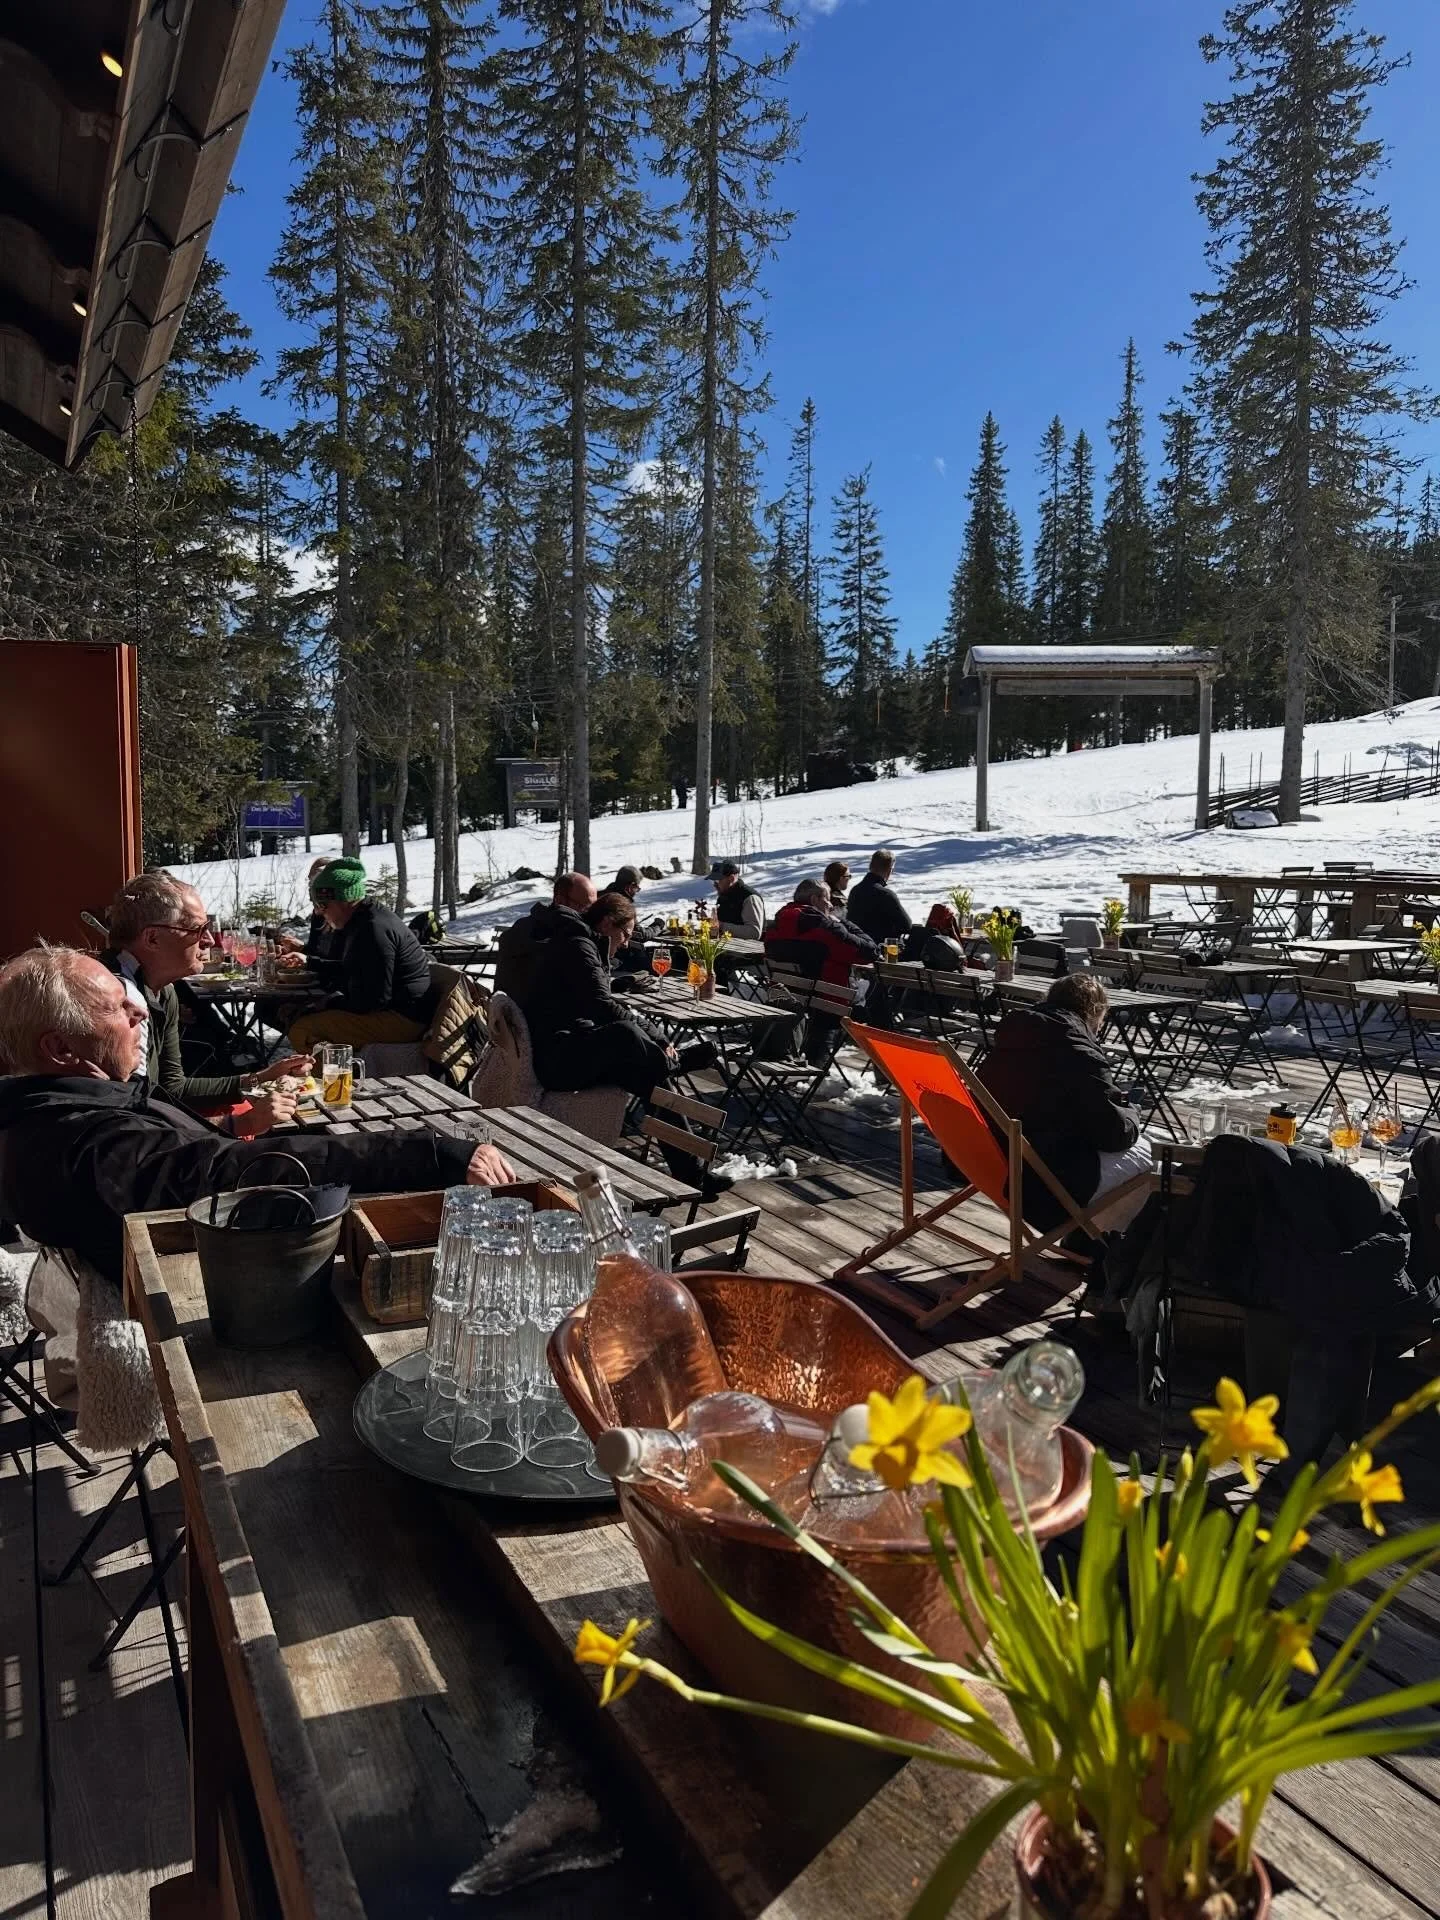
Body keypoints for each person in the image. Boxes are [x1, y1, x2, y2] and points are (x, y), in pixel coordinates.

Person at [0, 948, 515, 1287]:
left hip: (214, 1253)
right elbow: (244, 1172)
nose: (139, 1015)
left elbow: (188, 1162)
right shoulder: (92, 1138)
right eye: (115, 1009)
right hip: (224, 1292)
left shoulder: (59, 1108)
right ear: (60, 1048)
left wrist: (232, 1122)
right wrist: (428, 1151)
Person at [98, 872, 306, 1136]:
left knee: (243, 1106)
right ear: (152, 939)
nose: (209, 940)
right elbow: (132, 1127)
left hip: (146, 1132)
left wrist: (263, 1076)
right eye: (197, 929)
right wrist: (239, 1125)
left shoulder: (163, 992)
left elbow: (172, 1088)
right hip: (123, 1151)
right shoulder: (117, 1002)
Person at [523, 892, 714, 1174]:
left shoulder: (583, 941)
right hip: (556, 1057)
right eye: (625, 933)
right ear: (608, 922)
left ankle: (692, 1171)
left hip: (571, 1046)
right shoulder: (578, 945)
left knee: (650, 1075)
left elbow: (604, 1001)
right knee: (624, 1034)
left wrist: (657, 1038)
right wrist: (653, 1038)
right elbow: (601, 1005)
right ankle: (674, 1063)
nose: (626, 942)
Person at [975, 973, 1149, 1233]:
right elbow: (1114, 1135)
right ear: (1095, 1012)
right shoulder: (1079, 1051)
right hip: (1044, 1184)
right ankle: (1110, 1249)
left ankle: (1091, 1238)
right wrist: (1132, 1112)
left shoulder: (1014, 1039)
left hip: (995, 1162)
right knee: (1153, 1157)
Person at [287, 857, 440, 1053]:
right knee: (301, 1016)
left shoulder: (373, 929)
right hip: (393, 1010)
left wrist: (330, 1003)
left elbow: (373, 1000)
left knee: (303, 1029)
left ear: (343, 901)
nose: (318, 912)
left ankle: (333, 1080)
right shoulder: (361, 920)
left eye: (323, 905)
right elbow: (354, 970)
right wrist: (310, 963)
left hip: (402, 1019)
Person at [494, 872, 598, 1005]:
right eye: (585, 907)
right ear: (560, 900)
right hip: (543, 1020)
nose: (589, 915)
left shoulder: (523, 925)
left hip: (510, 1016)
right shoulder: (566, 936)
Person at [764, 879, 879, 986]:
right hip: (830, 1002)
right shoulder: (825, 929)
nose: (831, 905)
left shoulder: (775, 926)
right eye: (827, 899)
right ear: (814, 900)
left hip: (784, 998)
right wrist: (841, 921)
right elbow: (870, 952)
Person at [845, 850, 913, 947]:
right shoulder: (885, 894)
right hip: (880, 948)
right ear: (890, 869)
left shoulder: (855, 890)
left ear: (870, 866)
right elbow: (906, 925)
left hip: (857, 945)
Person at [713, 861, 765, 937]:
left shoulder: (750, 898)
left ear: (731, 879)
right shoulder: (726, 894)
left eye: (718, 880)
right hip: (728, 944)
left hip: (747, 947)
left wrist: (721, 926)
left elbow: (754, 932)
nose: (715, 884)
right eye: (714, 881)